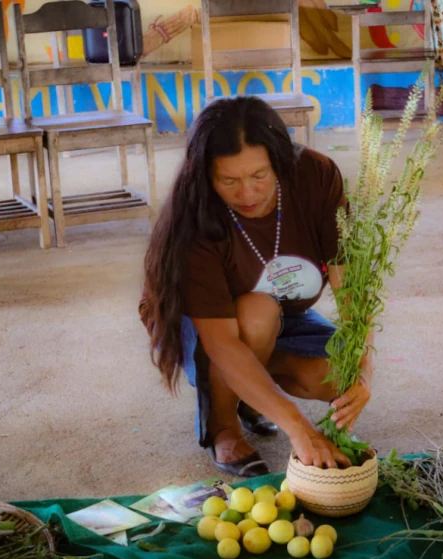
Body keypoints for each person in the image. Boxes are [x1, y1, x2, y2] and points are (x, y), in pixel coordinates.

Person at [140, 96, 373, 477]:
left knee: (341, 379)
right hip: (204, 326)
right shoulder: (195, 218)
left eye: (259, 176)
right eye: (229, 181)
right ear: (205, 174)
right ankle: (223, 425)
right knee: (257, 311)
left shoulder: (315, 175)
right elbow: (222, 343)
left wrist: (363, 369)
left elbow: (351, 286)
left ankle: (253, 389)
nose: (247, 194)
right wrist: (298, 426)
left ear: (280, 161)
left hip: (284, 316)